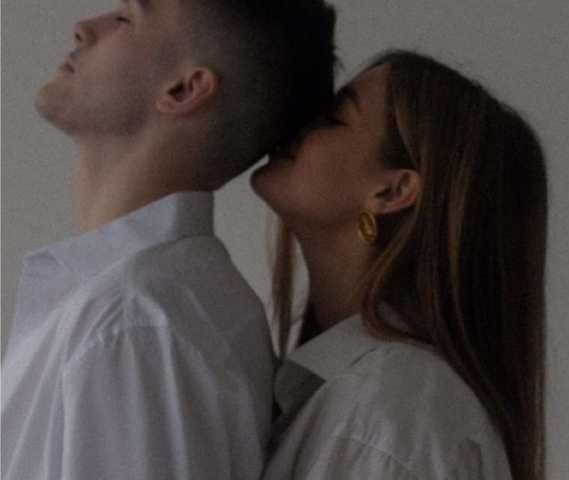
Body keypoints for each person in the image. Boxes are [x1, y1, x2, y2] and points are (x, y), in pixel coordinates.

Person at [1, 1, 336, 479]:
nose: (83, 29)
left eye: (126, 18)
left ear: (183, 90)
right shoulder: (152, 305)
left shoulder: (135, 323)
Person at [251, 49, 548, 480]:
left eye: (332, 118)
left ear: (392, 192)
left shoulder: (390, 413)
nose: (297, 123)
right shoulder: (379, 400)